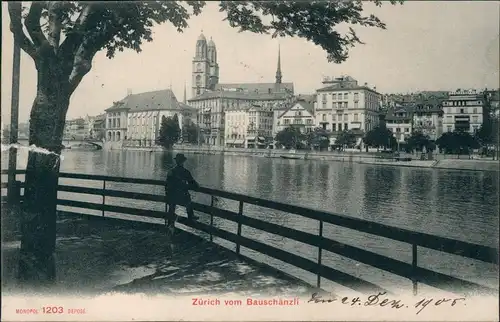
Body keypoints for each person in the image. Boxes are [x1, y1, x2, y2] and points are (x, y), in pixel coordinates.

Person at [165, 153, 199, 226]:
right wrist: (191, 186)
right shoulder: (185, 172)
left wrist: (167, 194)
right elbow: (193, 183)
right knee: (188, 200)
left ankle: (170, 225)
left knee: (171, 209)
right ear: (183, 161)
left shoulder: (171, 171)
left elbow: (167, 184)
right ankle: (191, 215)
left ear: (176, 161)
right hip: (182, 195)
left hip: (172, 195)